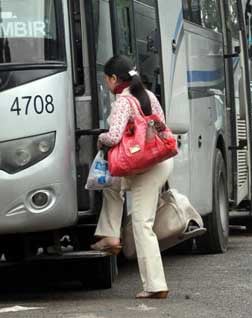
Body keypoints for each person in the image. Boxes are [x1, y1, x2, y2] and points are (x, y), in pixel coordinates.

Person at [91, 55, 173, 299]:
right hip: (158, 160)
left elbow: (114, 136)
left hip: (144, 166)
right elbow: (161, 126)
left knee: (141, 223)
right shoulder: (150, 97)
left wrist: (99, 139)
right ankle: (110, 235)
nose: (106, 83)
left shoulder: (123, 102)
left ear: (114, 78)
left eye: (107, 79)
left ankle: (155, 285)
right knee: (111, 184)